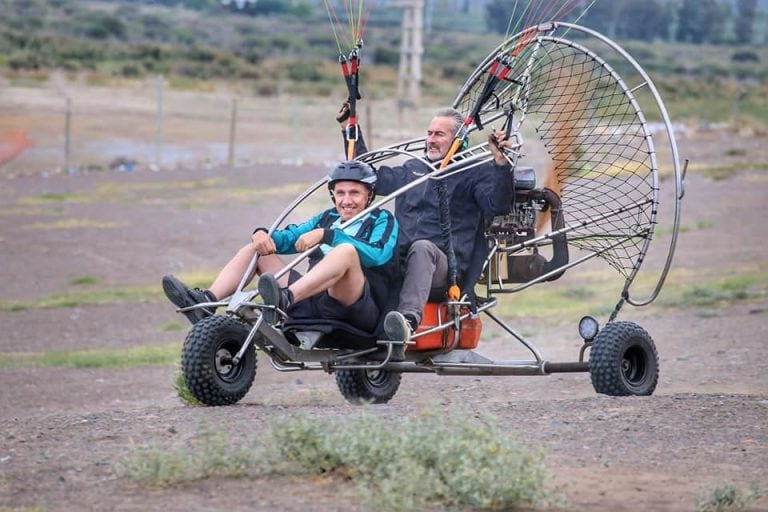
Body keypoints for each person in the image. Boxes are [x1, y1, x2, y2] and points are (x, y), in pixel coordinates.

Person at [339, 106, 513, 343]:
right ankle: (325, 318)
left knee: (421, 248)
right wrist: (350, 131)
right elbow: (368, 178)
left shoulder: (474, 172)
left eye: (439, 134)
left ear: (459, 140)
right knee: (351, 244)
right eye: (429, 133)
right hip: (398, 265)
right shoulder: (413, 170)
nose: (430, 140)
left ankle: (407, 322)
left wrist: (501, 164)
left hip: (443, 272)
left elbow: (497, 205)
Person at [162, 160, 399, 334]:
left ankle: (283, 300)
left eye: (355, 193)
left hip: (355, 306)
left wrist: (328, 236)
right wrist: (261, 234)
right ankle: (206, 302)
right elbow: (288, 237)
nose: (347, 200)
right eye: (340, 193)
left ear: (369, 196)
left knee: (345, 251)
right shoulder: (326, 218)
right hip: (313, 299)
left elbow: (378, 255)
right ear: (333, 195)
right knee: (257, 251)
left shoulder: (382, 220)